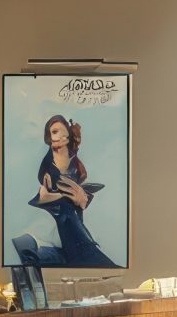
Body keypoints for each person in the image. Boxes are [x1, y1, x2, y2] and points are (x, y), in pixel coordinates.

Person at [26, 114, 119, 268]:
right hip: (62, 221)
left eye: (56, 132)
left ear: (67, 137)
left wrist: (81, 200)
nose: (53, 137)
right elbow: (44, 197)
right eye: (52, 132)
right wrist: (61, 196)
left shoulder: (75, 162)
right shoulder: (47, 167)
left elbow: (80, 197)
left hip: (74, 222)